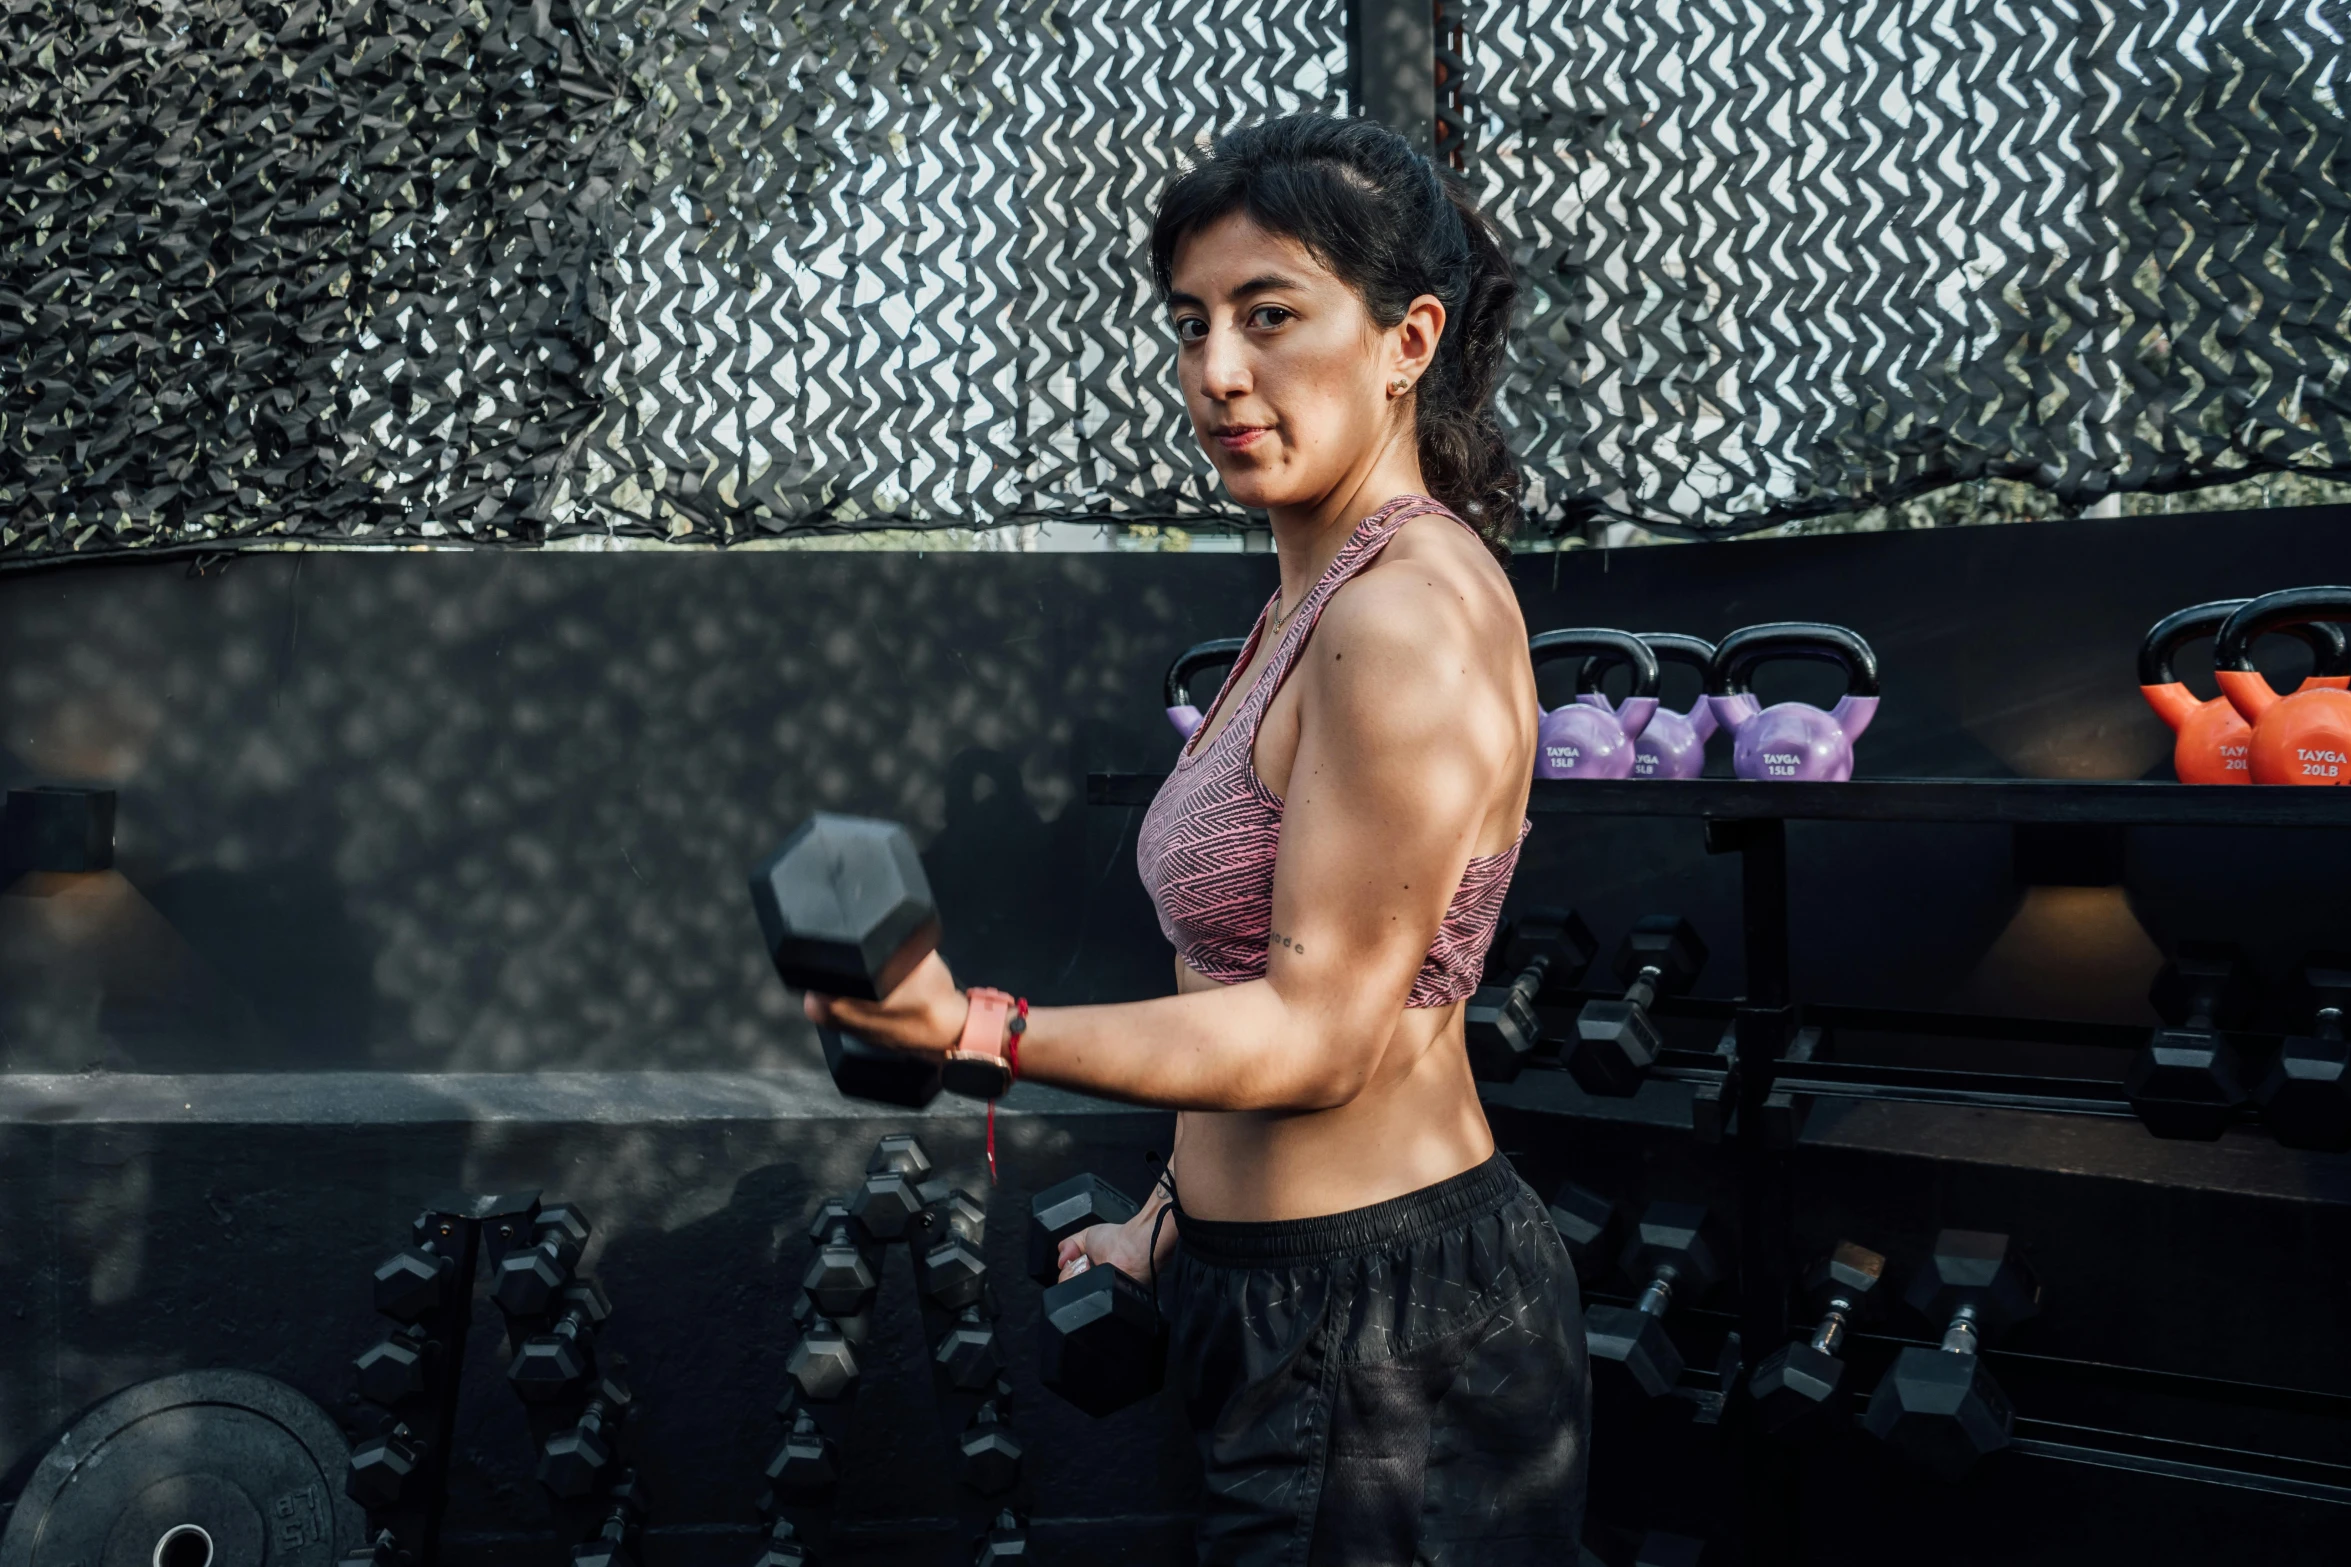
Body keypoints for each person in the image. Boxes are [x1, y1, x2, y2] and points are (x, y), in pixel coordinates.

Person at [804, 114, 1588, 1565]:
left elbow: (1319, 1037)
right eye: (1194, 324)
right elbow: (1238, 976)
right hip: (1284, 1296)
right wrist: (1167, 1221)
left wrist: (973, 1027)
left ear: (1407, 338)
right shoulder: (1310, 595)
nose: (1217, 373)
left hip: (1385, 1340)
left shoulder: (1397, 618)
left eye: (1271, 317)